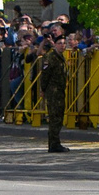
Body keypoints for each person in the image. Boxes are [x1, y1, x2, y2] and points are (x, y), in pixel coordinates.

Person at [37, 18, 71, 152]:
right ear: (55, 45)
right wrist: (43, 89)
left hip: (60, 90)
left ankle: (55, 142)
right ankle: (54, 144)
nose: (63, 45)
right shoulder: (51, 57)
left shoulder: (61, 57)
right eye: (60, 43)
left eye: (64, 43)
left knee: (59, 117)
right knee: (54, 118)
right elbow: (45, 75)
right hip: (53, 91)